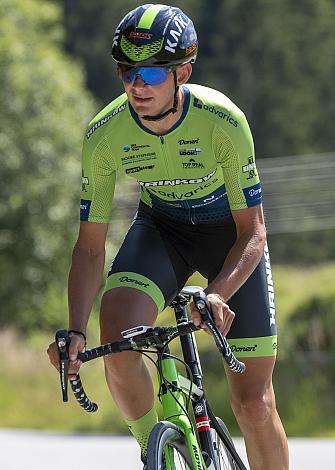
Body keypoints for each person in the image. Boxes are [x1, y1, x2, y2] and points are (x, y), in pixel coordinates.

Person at [48, 4, 289, 469]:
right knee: (117, 342)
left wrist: (217, 295)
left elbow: (253, 230)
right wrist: (75, 330)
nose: (137, 85)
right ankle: (157, 454)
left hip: (229, 238)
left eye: (152, 73)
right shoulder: (104, 135)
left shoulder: (223, 121)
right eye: (126, 71)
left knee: (254, 404)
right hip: (163, 230)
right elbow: (90, 246)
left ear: (183, 72)